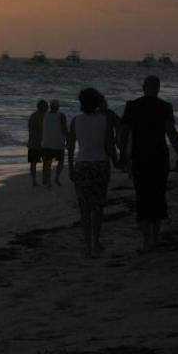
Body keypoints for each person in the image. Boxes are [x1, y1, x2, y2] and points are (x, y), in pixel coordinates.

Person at [119, 75, 178, 252]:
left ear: (143, 87)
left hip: (139, 157)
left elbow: (123, 132)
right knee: (158, 195)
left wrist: (122, 154)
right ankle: (154, 236)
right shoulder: (164, 107)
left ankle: (146, 239)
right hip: (159, 156)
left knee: (142, 196)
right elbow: (171, 132)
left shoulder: (132, 106)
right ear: (158, 88)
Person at [68, 87, 117, 257]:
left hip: (82, 164)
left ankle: (88, 246)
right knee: (98, 207)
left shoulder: (75, 121)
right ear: (97, 102)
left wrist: (70, 167)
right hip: (100, 164)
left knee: (84, 208)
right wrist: (117, 160)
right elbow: (109, 144)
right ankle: (96, 242)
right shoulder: (104, 120)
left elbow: (71, 146)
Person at [40, 99, 68, 187]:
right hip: (58, 143)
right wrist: (68, 139)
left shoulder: (45, 115)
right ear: (58, 107)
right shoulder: (61, 115)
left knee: (48, 163)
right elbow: (64, 129)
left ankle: (48, 180)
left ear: (50, 106)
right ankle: (56, 178)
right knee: (60, 162)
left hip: (46, 143)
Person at [27, 99, 48, 187]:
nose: (47, 108)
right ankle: (42, 179)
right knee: (45, 162)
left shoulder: (33, 116)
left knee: (34, 163)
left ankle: (34, 180)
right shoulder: (45, 116)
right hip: (41, 143)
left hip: (33, 143)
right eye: (46, 106)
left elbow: (30, 129)